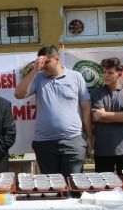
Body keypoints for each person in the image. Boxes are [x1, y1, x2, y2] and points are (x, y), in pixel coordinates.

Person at [15, 45, 92, 176]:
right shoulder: (38, 78)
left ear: (57, 59)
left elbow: (86, 108)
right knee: (52, 187)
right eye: (41, 63)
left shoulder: (76, 77)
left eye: (47, 62)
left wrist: (89, 137)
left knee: (74, 185)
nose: (43, 66)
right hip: (45, 143)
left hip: (73, 141)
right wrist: (34, 71)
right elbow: (19, 94)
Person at [90, 57, 123, 174]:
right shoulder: (97, 92)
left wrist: (104, 115)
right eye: (104, 72)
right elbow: (97, 117)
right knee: (104, 190)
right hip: (103, 149)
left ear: (119, 74)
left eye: (110, 72)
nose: (106, 75)